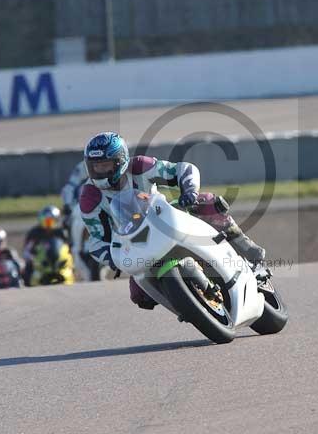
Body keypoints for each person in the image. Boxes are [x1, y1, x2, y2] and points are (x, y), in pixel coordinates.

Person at [78, 131, 265, 310]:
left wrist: (189, 191)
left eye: (105, 165)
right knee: (140, 296)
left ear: (120, 161)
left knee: (205, 203)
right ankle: (190, 304)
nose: (100, 171)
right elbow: (96, 240)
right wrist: (113, 259)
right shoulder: (90, 197)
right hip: (134, 241)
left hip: (164, 218)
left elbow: (184, 169)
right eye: (96, 167)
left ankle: (246, 249)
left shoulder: (140, 166)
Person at [23, 205, 72, 286]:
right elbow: (27, 249)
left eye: (51, 221)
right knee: (28, 269)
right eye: (46, 221)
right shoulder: (34, 233)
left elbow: (68, 246)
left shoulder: (61, 232)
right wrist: (31, 258)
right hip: (40, 261)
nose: (49, 224)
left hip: (58, 260)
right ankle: (28, 285)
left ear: (56, 220)